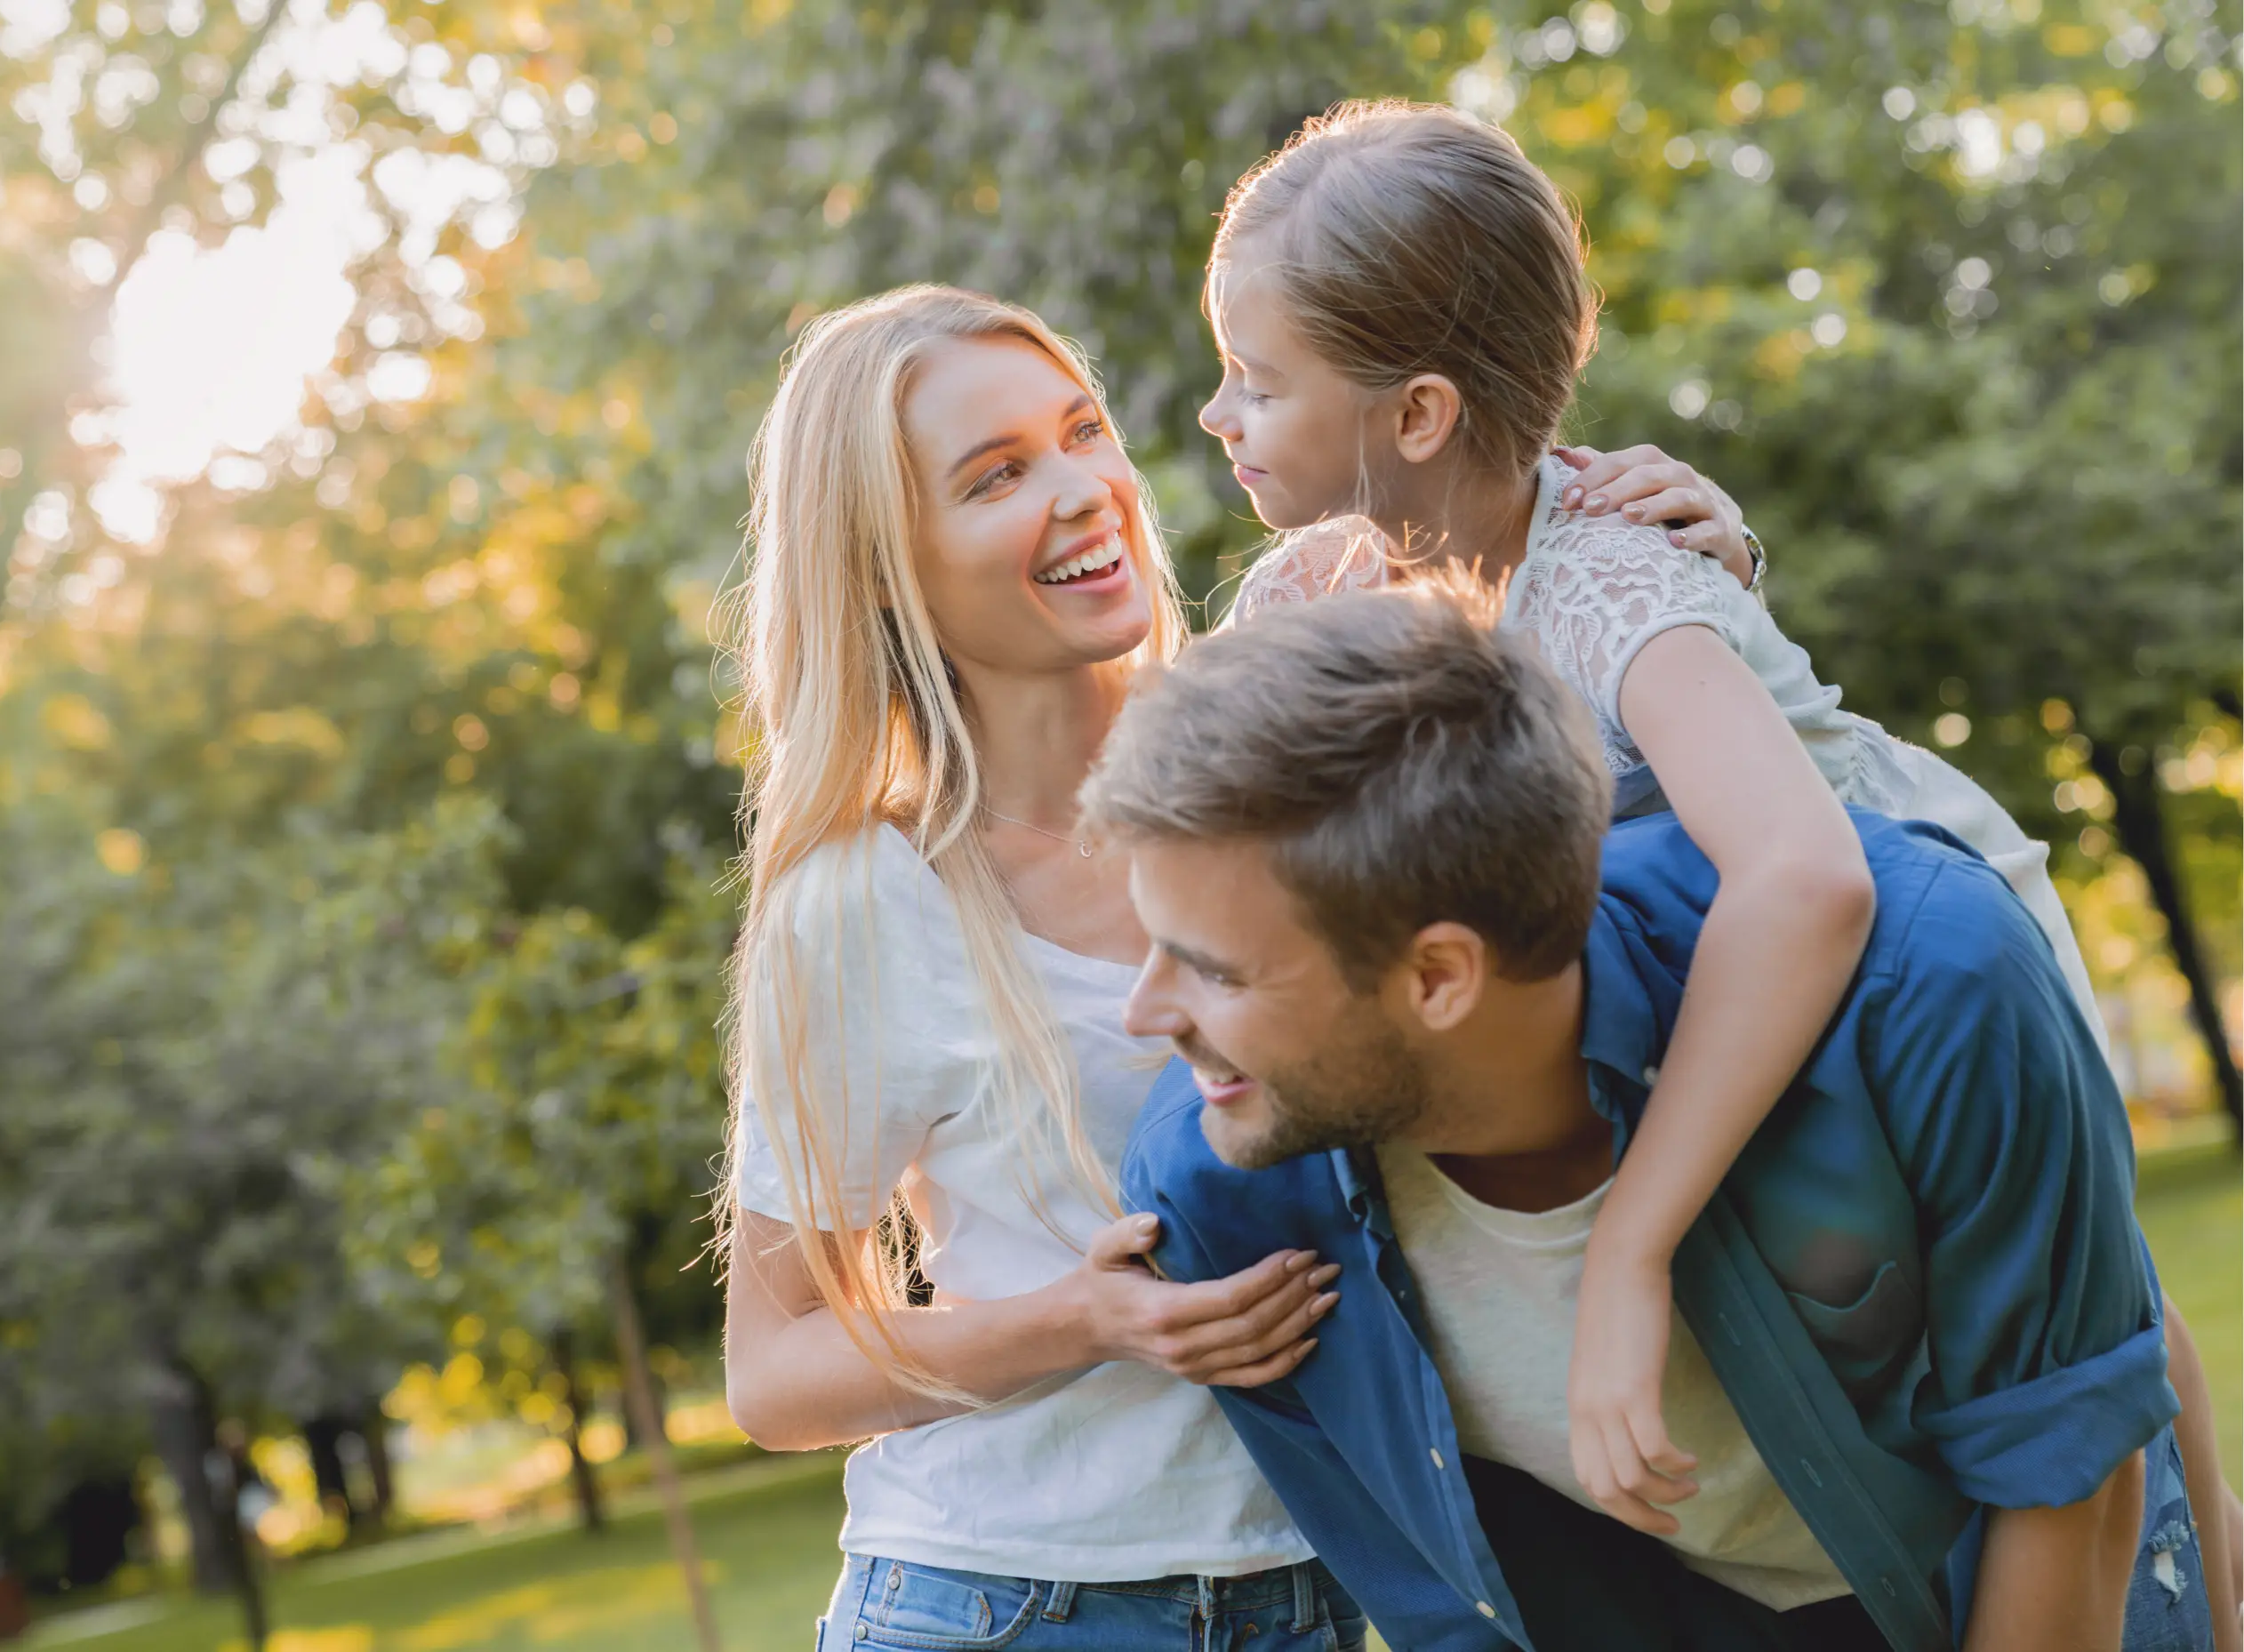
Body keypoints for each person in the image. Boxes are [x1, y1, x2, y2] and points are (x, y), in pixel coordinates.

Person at [1182, 102, 2216, 1578]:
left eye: (1250, 381)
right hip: (1708, 967)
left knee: (2090, 1331)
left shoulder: (1606, 581)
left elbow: (1804, 879)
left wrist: (1630, 1244)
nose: (1216, 418)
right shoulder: (1309, 602)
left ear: (1415, 415)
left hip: (1902, 965)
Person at [715, 282, 1760, 1649]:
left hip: (1321, 1587)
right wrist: (1088, 1317)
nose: (1085, 488)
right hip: (1011, 1601)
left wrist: (1696, 556)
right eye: (997, 476)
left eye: (1083, 431)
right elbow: (774, 1370)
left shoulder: (1289, 742)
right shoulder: (866, 899)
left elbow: (1577, 788)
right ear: (885, 565)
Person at [1097, 583, 2211, 1651]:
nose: (1145, 1016)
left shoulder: (1931, 985)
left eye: (1212, 973)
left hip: (2038, 1566)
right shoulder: (1223, 1187)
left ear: (1438, 976)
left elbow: (2061, 1478)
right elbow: (1459, 1613)